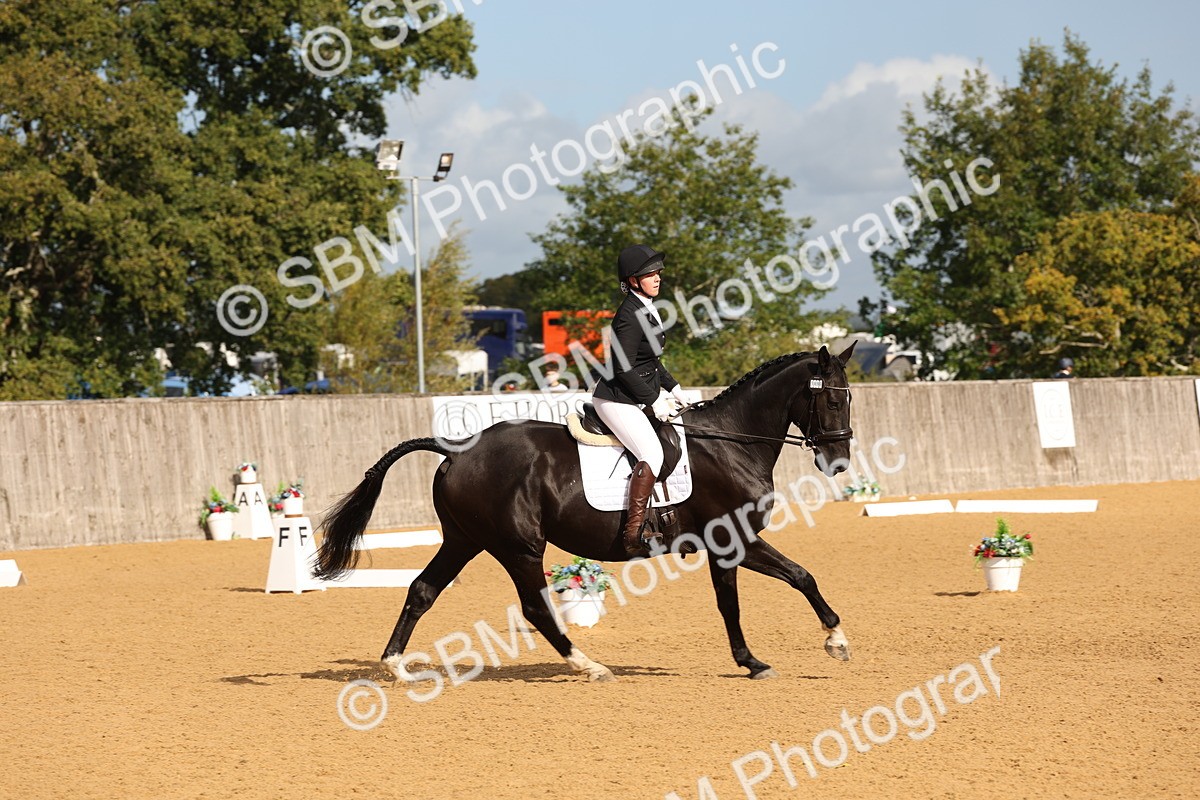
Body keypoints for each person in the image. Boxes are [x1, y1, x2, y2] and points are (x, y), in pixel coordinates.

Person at [592, 244, 689, 555]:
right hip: (617, 399)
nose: (657, 277)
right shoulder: (628, 316)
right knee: (651, 451)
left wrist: (673, 387)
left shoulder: (646, 307)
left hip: (637, 393)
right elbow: (623, 366)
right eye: (650, 274)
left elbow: (650, 362)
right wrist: (652, 400)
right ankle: (634, 531)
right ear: (633, 281)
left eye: (658, 271)